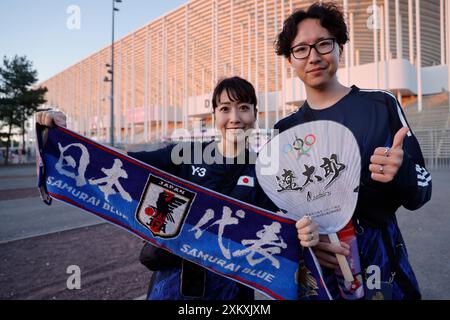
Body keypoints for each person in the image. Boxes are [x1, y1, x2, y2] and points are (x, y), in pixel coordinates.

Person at [36, 76, 319, 300]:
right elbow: (119, 163)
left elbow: (282, 226)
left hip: (233, 290)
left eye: (244, 107)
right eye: (225, 109)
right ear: (214, 115)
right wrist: (62, 132)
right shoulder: (183, 154)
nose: (235, 117)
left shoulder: (265, 171)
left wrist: (305, 230)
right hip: (173, 286)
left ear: (256, 114)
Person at [274, 2, 432, 300]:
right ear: (290, 60)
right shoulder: (284, 130)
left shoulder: (380, 104)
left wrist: (402, 171)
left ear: (340, 49)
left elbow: (422, 191)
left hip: (381, 257)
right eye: (301, 49)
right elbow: (280, 207)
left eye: (324, 44)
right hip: (318, 264)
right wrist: (304, 236)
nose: (314, 56)